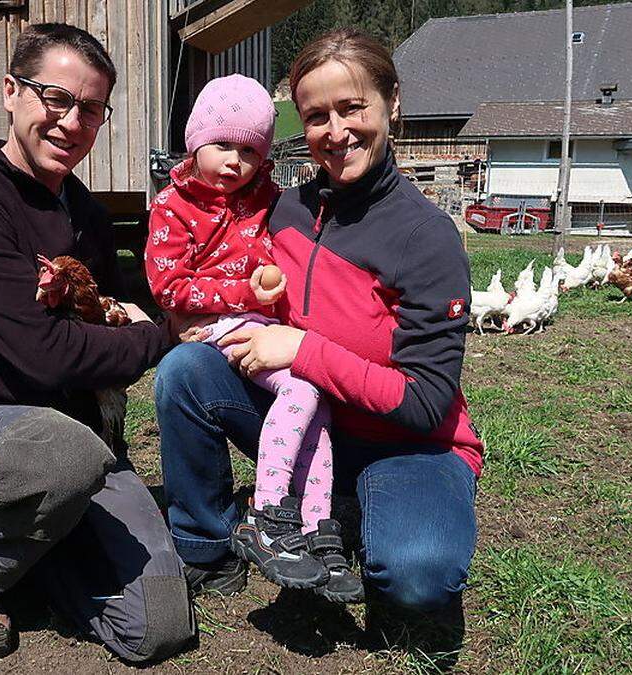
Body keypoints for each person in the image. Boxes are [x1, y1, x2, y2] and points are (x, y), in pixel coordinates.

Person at [154, 28, 483, 644]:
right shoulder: (284, 208)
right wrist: (187, 314)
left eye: (352, 108)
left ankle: (358, 509)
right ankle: (207, 542)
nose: (336, 131)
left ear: (391, 103)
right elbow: (204, 263)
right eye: (315, 116)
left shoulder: (426, 238)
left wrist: (302, 349)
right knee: (186, 371)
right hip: (310, 418)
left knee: (416, 582)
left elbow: (425, 402)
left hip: (404, 442)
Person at [0, 23, 192, 663]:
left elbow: (114, 318)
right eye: (55, 98)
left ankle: (37, 547)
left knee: (159, 627)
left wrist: (142, 322)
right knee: (59, 453)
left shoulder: (87, 212)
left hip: (84, 437)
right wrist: (162, 337)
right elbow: (45, 352)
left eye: (91, 108)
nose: (71, 122)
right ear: (12, 92)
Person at [143, 74, 363, 603]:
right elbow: (168, 286)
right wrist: (245, 290)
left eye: (248, 150)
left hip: (262, 326)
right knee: (303, 390)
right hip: (223, 327)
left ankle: (313, 526)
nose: (233, 163)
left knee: (316, 403)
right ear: (195, 143)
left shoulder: (268, 198)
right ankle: (264, 514)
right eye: (221, 146)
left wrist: (265, 288)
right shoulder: (172, 207)